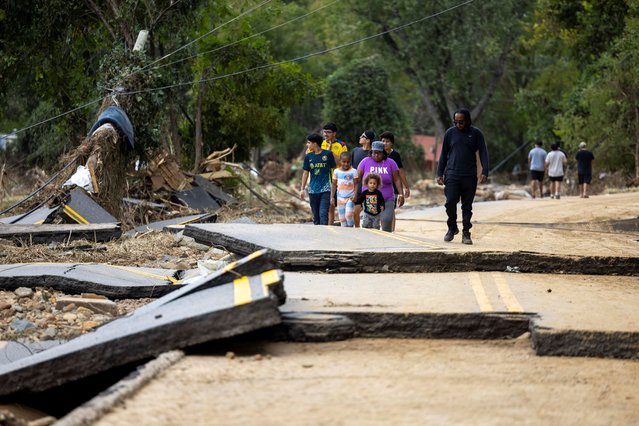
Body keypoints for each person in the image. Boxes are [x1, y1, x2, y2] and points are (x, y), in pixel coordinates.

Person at [436, 109, 489, 245]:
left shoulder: (476, 133)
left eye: (461, 122)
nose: (458, 124)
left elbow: (483, 152)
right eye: (456, 122)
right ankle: (452, 227)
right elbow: (443, 155)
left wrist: (485, 171)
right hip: (452, 174)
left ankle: (466, 233)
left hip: (469, 175)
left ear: (468, 120)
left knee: (467, 206)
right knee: (450, 202)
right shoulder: (450, 133)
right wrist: (439, 173)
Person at [355, 141, 404, 232]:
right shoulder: (365, 162)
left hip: (387, 197)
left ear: (383, 153)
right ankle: (371, 243)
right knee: (370, 224)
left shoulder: (391, 163)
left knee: (387, 219)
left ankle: (387, 239)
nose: (376, 155)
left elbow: (397, 179)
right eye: (374, 152)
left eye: (379, 153)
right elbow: (357, 179)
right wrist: (355, 194)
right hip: (370, 198)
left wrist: (401, 194)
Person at [300, 133, 336, 225]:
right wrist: (302, 189)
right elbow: (305, 173)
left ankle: (324, 236)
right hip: (312, 190)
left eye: (309, 143)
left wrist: (335, 185)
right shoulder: (308, 156)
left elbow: (334, 170)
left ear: (315, 143)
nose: (307, 145)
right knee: (316, 217)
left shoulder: (328, 154)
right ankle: (318, 236)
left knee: (323, 214)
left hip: (326, 189)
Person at [380, 131, 411, 231]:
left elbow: (400, 171)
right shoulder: (377, 154)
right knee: (380, 209)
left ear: (391, 143)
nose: (385, 143)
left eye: (387, 141)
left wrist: (406, 187)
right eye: (383, 141)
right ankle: (383, 229)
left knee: (391, 210)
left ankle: (391, 231)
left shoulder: (395, 155)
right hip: (379, 186)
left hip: (393, 188)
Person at [318, 122, 348, 225]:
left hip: (337, 178)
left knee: (332, 204)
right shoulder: (319, 143)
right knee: (322, 205)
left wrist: (330, 152)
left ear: (334, 133)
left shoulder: (341, 145)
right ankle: (322, 225)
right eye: (324, 132)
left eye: (328, 132)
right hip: (321, 177)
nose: (326, 134)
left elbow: (342, 162)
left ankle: (331, 226)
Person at [331, 152, 359, 227]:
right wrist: (332, 197)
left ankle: (350, 227)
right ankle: (345, 234)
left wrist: (355, 195)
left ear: (350, 161)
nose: (346, 164)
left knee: (349, 215)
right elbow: (333, 185)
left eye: (348, 162)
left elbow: (356, 184)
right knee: (342, 219)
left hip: (350, 197)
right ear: (340, 161)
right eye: (344, 162)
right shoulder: (336, 171)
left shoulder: (353, 171)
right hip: (340, 198)